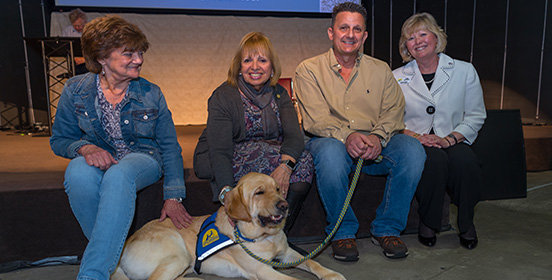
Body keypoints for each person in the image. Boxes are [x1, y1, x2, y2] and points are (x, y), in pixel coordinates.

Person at [50, 15, 193, 280]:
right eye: (129, 53)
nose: (138, 59)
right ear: (102, 57)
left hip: (144, 158)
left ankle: (93, 274)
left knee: (119, 175)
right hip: (101, 158)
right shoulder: (75, 90)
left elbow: (169, 147)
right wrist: (84, 148)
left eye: (140, 52)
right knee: (76, 173)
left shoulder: (151, 93)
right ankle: (115, 259)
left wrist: (174, 195)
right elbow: (59, 140)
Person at [294, 2, 425, 261]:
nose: (350, 35)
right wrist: (347, 136)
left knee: (412, 150)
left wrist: (378, 136)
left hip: (375, 143)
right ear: (331, 32)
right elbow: (315, 120)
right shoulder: (308, 69)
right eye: (343, 28)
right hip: (331, 142)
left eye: (357, 29)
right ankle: (342, 233)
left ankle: (387, 229)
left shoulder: (381, 69)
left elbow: (394, 110)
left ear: (364, 36)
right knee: (330, 152)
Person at [193, 32, 313, 232]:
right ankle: (253, 234)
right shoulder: (224, 96)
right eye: (248, 60)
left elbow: (294, 135)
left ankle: (279, 233)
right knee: (264, 156)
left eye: (262, 60)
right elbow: (220, 150)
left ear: (272, 67)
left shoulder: (279, 93)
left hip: (267, 152)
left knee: (304, 161)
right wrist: (227, 193)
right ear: (239, 66)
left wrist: (285, 167)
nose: (255, 67)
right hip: (222, 154)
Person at [393, 12, 486, 250]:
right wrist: (416, 137)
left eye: (423, 34)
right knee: (433, 162)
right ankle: (429, 222)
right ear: (406, 47)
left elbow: (476, 115)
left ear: (436, 38)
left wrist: (449, 139)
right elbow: (390, 119)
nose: (418, 41)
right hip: (415, 141)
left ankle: (466, 223)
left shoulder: (464, 71)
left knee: (466, 163)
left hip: (453, 138)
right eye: (411, 38)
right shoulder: (396, 77)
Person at [61, 8, 88, 75]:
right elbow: (64, 47)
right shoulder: (67, 31)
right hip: (74, 61)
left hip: (88, 61)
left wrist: (84, 59)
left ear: (84, 21)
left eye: (79, 25)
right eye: (74, 26)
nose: (77, 28)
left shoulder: (91, 30)